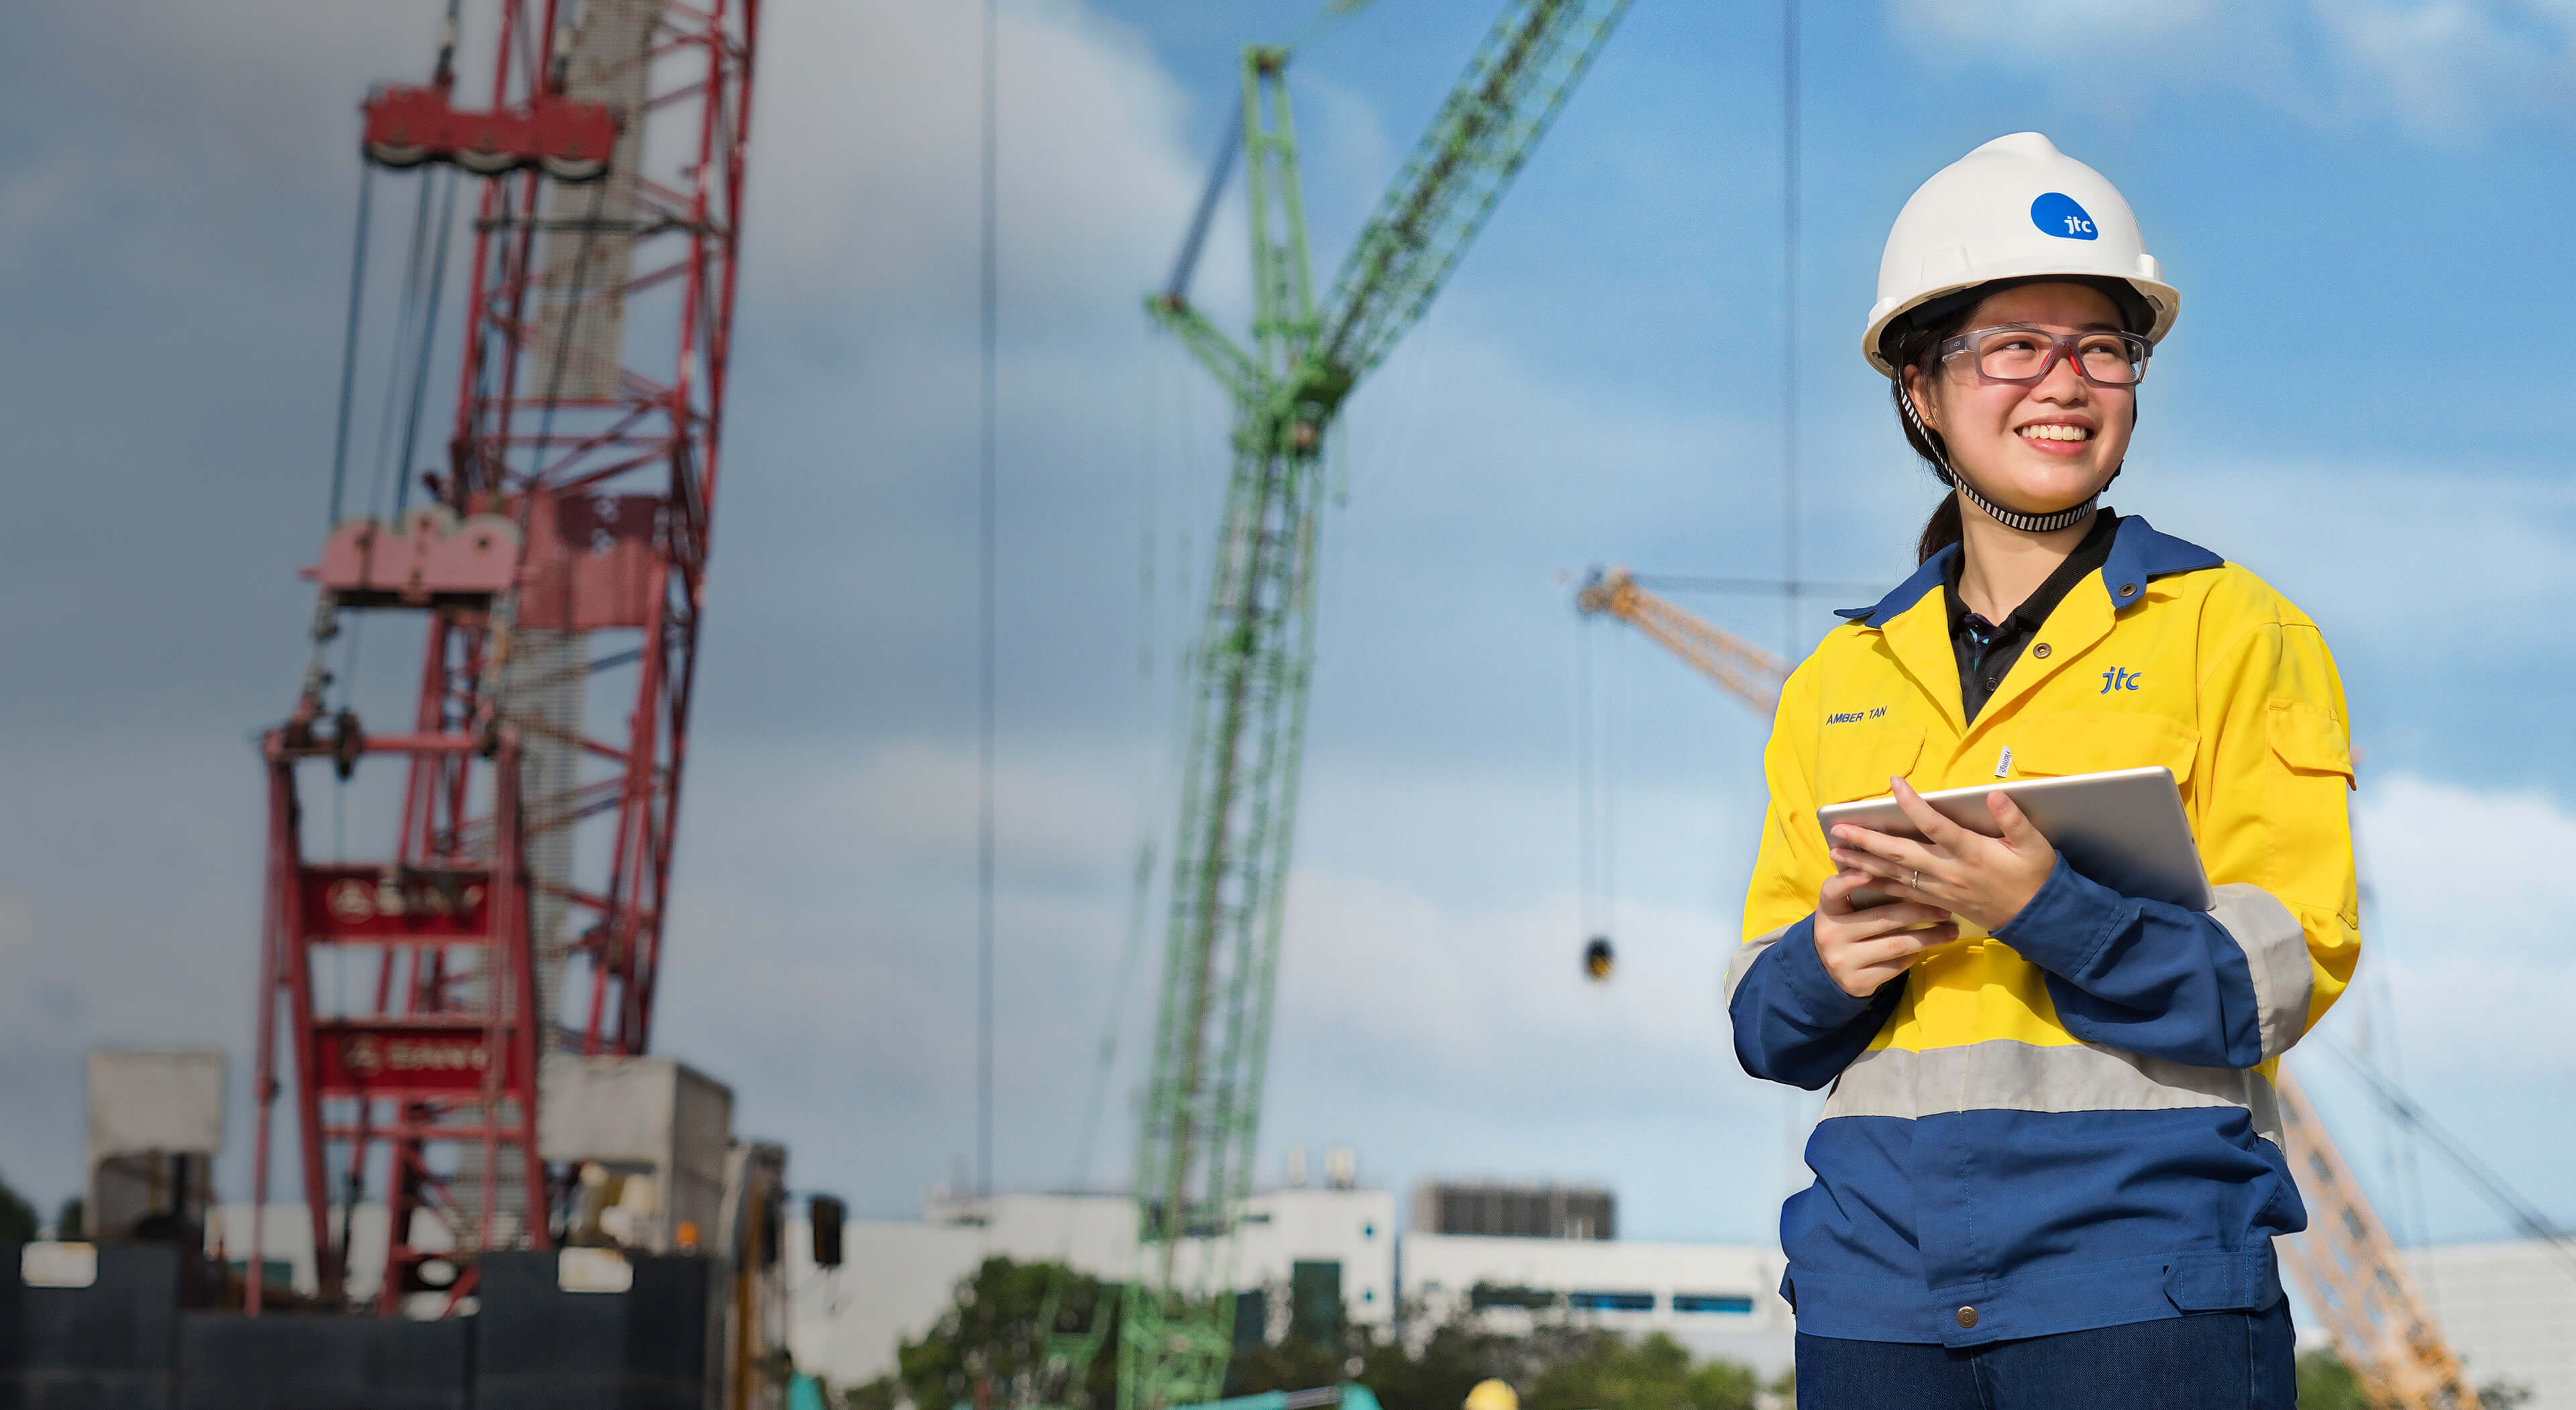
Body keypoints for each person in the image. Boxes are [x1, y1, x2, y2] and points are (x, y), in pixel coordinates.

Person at [1725, 133, 2359, 1409]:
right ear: (1920, 385)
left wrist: (2041, 909)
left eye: (2101, 346)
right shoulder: (1837, 683)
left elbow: (2283, 975)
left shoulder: (2238, 633)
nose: (2063, 382)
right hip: (1874, 1301)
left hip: (2142, 1292)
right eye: (2015, 345)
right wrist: (1823, 961)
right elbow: (1761, 1021)